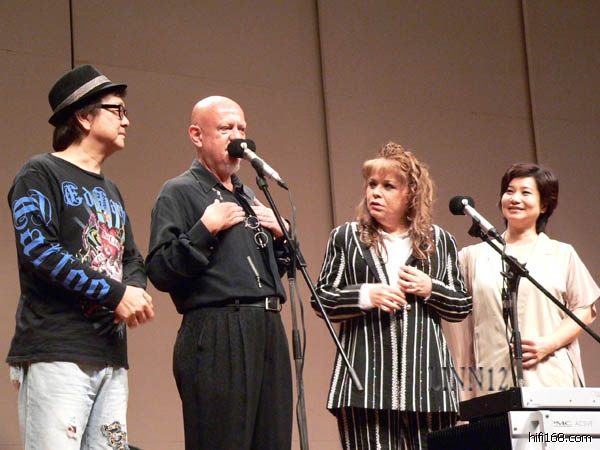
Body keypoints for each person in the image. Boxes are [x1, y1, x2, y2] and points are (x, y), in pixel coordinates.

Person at [6, 64, 155, 449]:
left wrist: (133, 291)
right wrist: (116, 294)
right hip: (58, 352)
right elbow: (39, 252)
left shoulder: (111, 190)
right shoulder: (39, 173)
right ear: (84, 117)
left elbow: (132, 258)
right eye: (117, 110)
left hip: (110, 356)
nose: (126, 120)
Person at [145, 96, 293, 450]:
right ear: (197, 135)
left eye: (241, 128)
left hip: (267, 326)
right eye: (226, 128)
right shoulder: (178, 191)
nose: (237, 136)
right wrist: (204, 229)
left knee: (273, 440)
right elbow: (160, 270)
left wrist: (282, 237)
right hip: (218, 331)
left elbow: (268, 271)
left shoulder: (249, 195)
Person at [313, 142, 472, 450]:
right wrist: (365, 295)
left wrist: (431, 288)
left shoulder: (439, 241)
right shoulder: (347, 237)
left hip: (428, 387)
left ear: (410, 193)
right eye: (372, 184)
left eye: (388, 186)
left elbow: (461, 305)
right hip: (364, 385)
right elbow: (322, 298)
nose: (375, 192)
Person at [457, 162, 598, 395]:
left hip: (549, 376)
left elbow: (585, 309)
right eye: (509, 191)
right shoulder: (473, 256)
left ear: (544, 205)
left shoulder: (561, 253)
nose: (515, 199)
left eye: (525, 192)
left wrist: (549, 343)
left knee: (548, 422)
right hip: (492, 379)